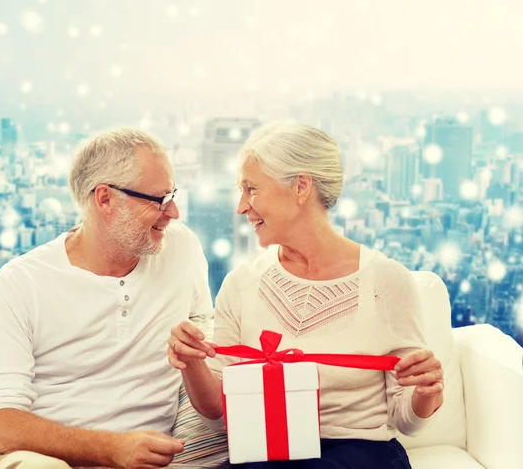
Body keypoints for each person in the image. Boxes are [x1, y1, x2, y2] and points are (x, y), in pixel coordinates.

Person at [167, 121, 444, 469]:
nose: (241, 206)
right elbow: (218, 414)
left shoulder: (386, 282)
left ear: (300, 187)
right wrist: (191, 362)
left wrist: (426, 393)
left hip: (360, 454)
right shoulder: (242, 283)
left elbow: (406, 420)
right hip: (269, 453)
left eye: (252, 189)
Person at [0, 127, 213, 469]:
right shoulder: (21, 282)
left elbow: (207, 357)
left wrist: (193, 355)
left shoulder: (181, 249)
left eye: (172, 195)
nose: (173, 212)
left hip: (145, 459)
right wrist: (111, 448)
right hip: (40, 458)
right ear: (105, 199)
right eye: (159, 199)